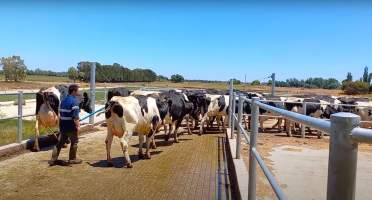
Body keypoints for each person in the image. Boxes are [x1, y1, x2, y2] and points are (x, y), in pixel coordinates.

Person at [49, 84, 82, 166]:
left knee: (60, 143)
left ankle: (53, 159)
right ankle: (72, 159)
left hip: (63, 126)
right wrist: (78, 126)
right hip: (71, 127)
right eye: (78, 90)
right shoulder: (75, 102)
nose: (79, 92)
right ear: (74, 91)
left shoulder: (63, 101)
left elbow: (61, 113)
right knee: (74, 142)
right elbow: (75, 117)